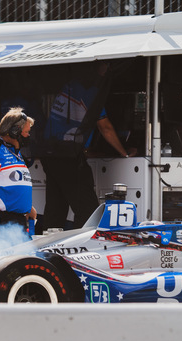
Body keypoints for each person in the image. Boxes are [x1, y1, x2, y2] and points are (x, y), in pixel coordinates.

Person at [41, 62, 135, 230]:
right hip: (67, 156)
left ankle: (51, 248)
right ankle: (83, 249)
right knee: (88, 210)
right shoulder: (90, 94)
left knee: (56, 209)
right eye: (106, 67)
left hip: (50, 153)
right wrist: (125, 153)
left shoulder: (70, 86)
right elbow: (105, 127)